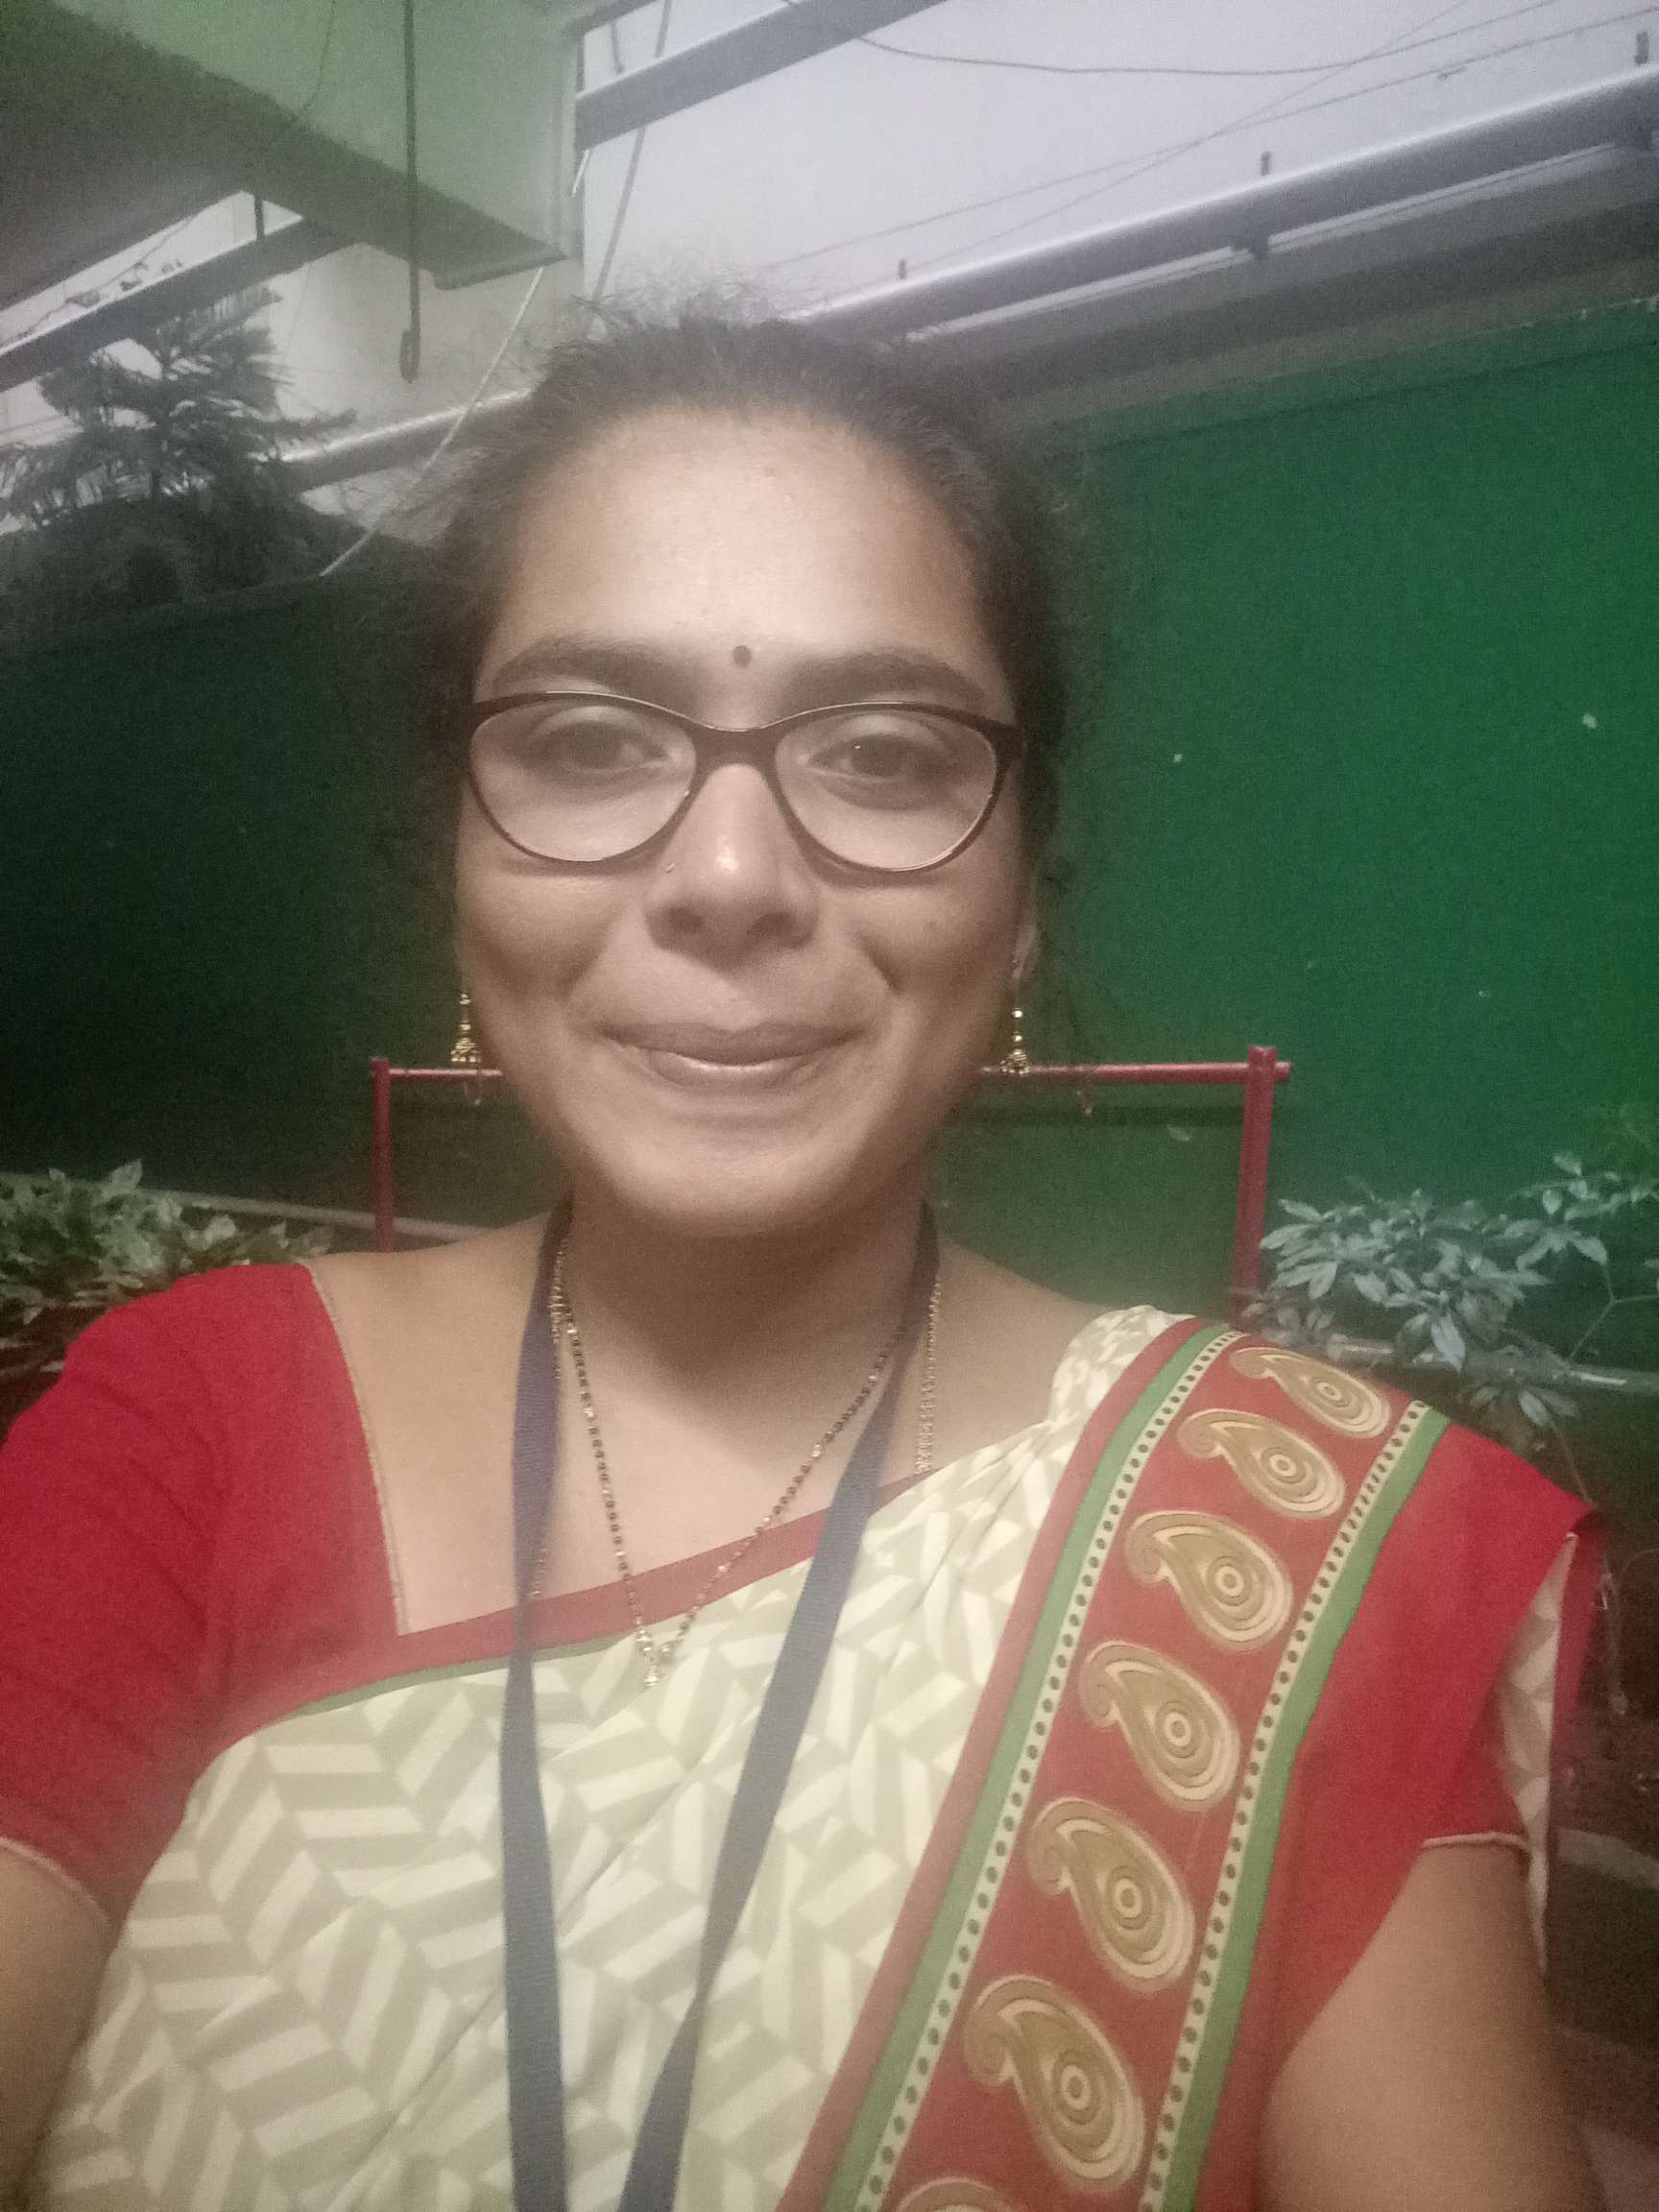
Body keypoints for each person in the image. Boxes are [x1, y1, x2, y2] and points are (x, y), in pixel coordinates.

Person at [0, 312, 1601, 2212]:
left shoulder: (1281, 1560)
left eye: (887, 755)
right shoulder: (189, 1433)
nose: (732, 879)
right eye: (588, 743)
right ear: (464, 864)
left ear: (1021, 898)